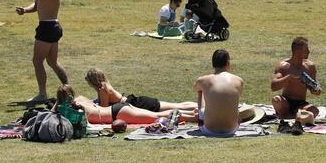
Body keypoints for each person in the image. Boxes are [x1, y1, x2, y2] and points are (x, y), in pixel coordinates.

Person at [15, 0, 69, 102]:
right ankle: (67, 88)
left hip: (47, 27)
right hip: (53, 26)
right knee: (52, 61)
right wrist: (25, 10)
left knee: (37, 61)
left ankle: (42, 94)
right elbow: (37, 5)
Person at [56, 85, 196, 124]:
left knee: (157, 116)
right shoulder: (81, 98)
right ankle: (193, 114)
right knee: (156, 115)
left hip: (118, 114)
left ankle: (193, 117)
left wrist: (57, 103)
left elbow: (54, 113)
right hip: (119, 108)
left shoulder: (71, 109)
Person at [84, 68, 197, 111]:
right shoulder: (104, 86)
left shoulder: (103, 89)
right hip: (135, 102)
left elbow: (103, 109)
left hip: (137, 104)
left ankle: (200, 107)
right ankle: (199, 106)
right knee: (177, 105)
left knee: (176, 107)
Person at [193, 49, 245, 137]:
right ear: (228, 63)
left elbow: (195, 89)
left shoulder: (203, 80)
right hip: (232, 129)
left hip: (209, 130)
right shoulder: (239, 80)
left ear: (213, 64)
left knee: (200, 91)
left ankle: (204, 119)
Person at [271, 37, 321, 120]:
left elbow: (317, 91)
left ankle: (288, 116)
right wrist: (289, 78)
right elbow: (273, 86)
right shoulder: (283, 66)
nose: (309, 51)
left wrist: (316, 89)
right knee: (276, 100)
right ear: (298, 51)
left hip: (301, 104)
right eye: (306, 49)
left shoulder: (310, 66)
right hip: (286, 102)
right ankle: (295, 116)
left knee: (314, 111)